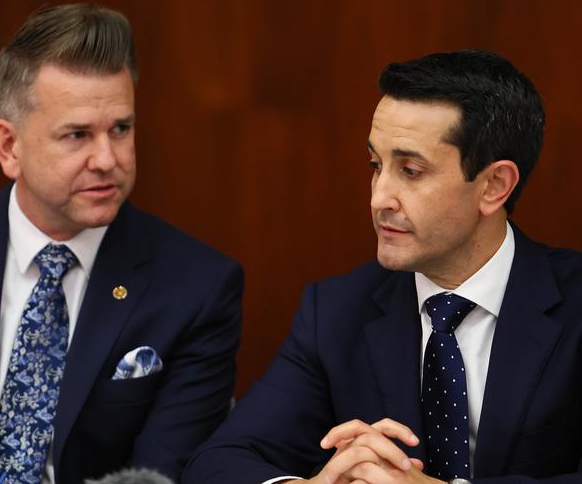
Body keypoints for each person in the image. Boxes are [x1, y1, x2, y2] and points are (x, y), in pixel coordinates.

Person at [184, 50, 582, 484]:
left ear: (494, 186)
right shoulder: (335, 313)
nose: (378, 198)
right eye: (376, 165)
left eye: (410, 171)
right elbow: (217, 462)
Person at [0, 4, 243, 484]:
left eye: (121, 128)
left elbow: (161, 472)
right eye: (77, 135)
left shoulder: (198, 288)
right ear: (8, 147)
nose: (107, 159)